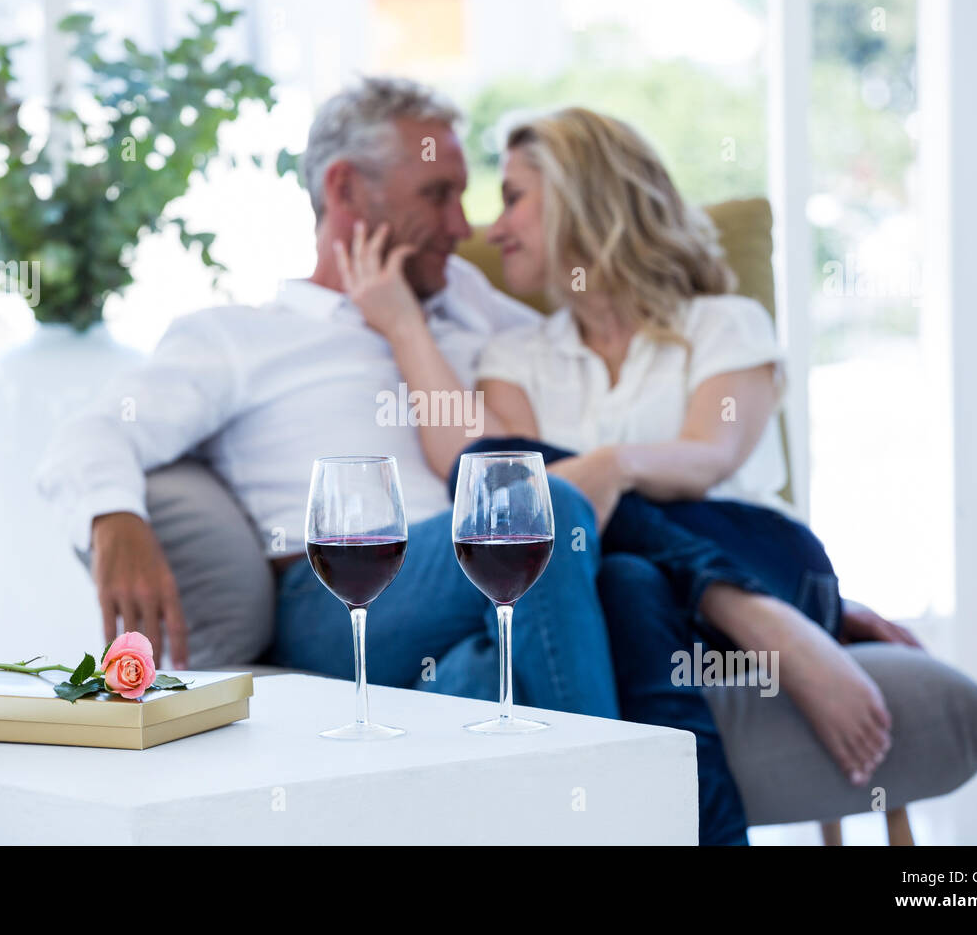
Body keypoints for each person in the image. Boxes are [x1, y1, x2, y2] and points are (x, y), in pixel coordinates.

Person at [337, 107, 920, 841]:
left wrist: (611, 468)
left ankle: (753, 605)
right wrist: (404, 326)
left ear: (584, 197)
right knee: (612, 568)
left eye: (514, 197)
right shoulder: (519, 356)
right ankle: (748, 619)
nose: (492, 229)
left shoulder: (722, 322)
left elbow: (709, 456)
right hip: (638, 592)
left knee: (573, 522)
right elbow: (478, 478)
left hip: (759, 554)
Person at [34, 77, 629, 731]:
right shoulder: (242, 337)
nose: (463, 227)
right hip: (339, 593)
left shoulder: (469, 308)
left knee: (491, 672)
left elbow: (595, 334)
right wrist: (114, 516)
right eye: (437, 195)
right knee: (544, 512)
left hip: (479, 597)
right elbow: (93, 430)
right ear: (344, 189)